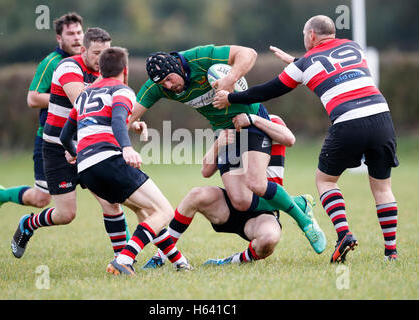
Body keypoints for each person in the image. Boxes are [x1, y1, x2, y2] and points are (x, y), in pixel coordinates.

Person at [213, 15, 399, 262]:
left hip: (347, 121)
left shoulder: (305, 63)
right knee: (383, 188)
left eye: (304, 34)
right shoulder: (354, 46)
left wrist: (232, 98)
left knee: (326, 181)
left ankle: (343, 234)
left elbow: (270, 89)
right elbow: (331, 66)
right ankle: (391, 252)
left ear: (311, 35)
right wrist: (294, 62)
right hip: (382, 118)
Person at [128, 45, 326, 254]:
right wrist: (133, 124)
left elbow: (249, 54)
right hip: (226, 133)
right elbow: (128, 114)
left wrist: (228, 81)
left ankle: (305, 222)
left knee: (256, 183)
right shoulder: (158, 86)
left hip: (250, 122)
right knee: (240, 200)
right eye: (162, 84)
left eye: (169, 79)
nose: (168, 86)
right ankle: (299, 202)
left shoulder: (199, 58)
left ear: (176, 66)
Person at [59, 47, 192, 275]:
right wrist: (127, 148)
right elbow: (118, 121)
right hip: (109, 162)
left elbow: (65, 135)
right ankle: (125, 258)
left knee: (147, 212)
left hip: (87, 170)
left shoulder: (84, 95)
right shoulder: (122, 90)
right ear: (125, 70)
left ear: (100, 69)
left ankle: (179, 262)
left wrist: (73, 151)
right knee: (165, 211)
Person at [10, 28, 132, 260]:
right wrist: (107, 80)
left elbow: (118, 104)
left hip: (89, 146)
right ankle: (28, 223)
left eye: (106, 53)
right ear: (83, 50)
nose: (102, 59)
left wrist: (132, 122)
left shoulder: (111, 70)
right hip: (58, 146)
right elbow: (83, 100)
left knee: (111, 203)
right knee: (66, 214)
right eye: (96, 53)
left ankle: (122, 261)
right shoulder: (68, 67)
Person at [143, 112, 316, 268]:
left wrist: (254, 120)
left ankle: (233, 261)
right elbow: (206, 170)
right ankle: (162, 256)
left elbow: (290, 139)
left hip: (263, 210)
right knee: (196, 195)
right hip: (231, 204)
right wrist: (219, 143)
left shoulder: (269, 120)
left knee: (269, 240)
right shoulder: (227, 125)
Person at [0, 13, 83, 221]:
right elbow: (33, 98)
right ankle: (0, 195)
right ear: (59, 38)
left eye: (79, 32)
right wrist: (66, 96)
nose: (77, 38)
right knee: (41, 199)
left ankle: (124, 249)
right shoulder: (51, 62)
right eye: (70, 34)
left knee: (108, 193)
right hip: (50, 140)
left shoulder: (87, 60)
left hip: (80, 139)